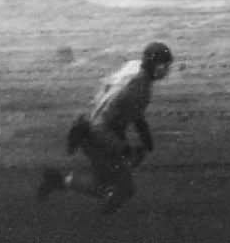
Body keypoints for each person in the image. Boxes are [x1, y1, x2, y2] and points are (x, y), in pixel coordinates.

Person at [39, 41, 175, 212]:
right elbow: (99, 125)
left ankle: (60, 182)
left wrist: (141, 127)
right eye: (164, 66)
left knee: (113, 181)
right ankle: (89, 204)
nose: (166, 70)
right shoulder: (135, 87)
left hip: (95, 129)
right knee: (123, 189)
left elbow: (123, 104)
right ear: (154, 65)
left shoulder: (135, 69)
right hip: (97, 135)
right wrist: (124, 149)